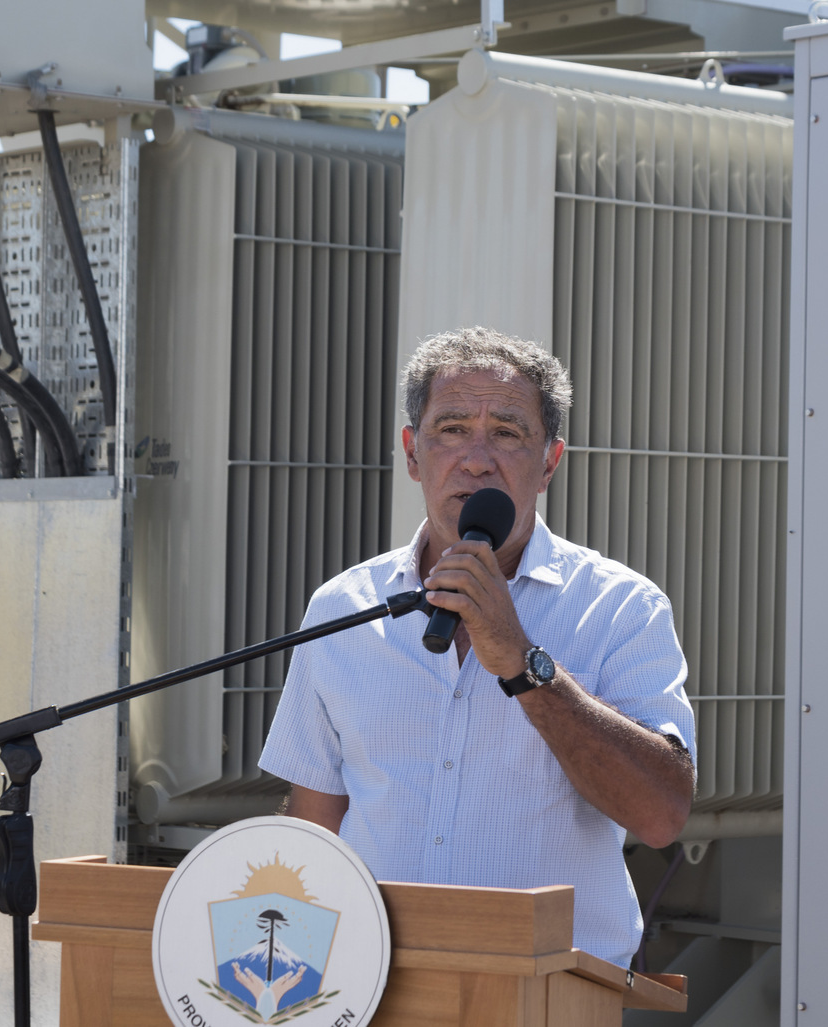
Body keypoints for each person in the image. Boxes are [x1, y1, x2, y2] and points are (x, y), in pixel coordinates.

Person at [258, 327, 696, 968]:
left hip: (546, 991)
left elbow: (660, 815)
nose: (477, 458)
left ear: (549, 461)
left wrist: (522, 662)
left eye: (508, 432)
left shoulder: (622, 607)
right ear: (413, 453)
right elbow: (314, 826)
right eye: (452, 428)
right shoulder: (342, 609)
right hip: (373, 984)